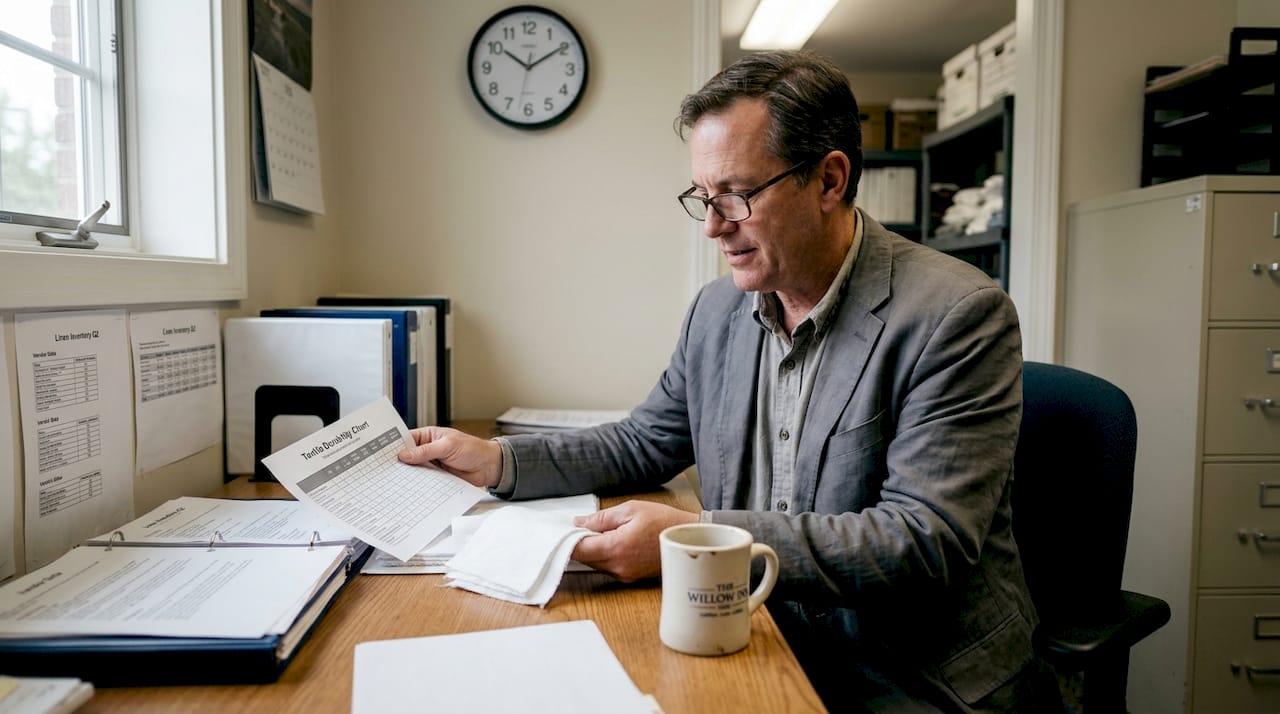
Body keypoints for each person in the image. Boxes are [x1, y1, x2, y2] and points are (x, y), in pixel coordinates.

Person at [399, 50, 1051, 712]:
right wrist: (498, 461)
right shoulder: (718, 311)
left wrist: (699, 538)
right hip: (762, 632)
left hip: (908, 672)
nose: (713, 226)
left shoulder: (956, 313)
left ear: (829, 181)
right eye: (703, 199)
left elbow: (924, 539)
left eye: (736, 195)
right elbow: (644, 441)